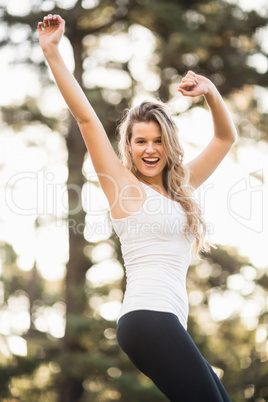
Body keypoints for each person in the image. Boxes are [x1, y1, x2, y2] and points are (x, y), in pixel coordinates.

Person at [38, 14, 236, 401]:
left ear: (169, 145)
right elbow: (86, 119)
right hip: (147, 316)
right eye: (140, 141)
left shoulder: (181, 188)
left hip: (167, 322)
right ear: (128, 146)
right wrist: (52, 51)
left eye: (158, 141)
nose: (150, 149)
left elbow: (225, 138)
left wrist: (210, 91)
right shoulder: (123, 188)